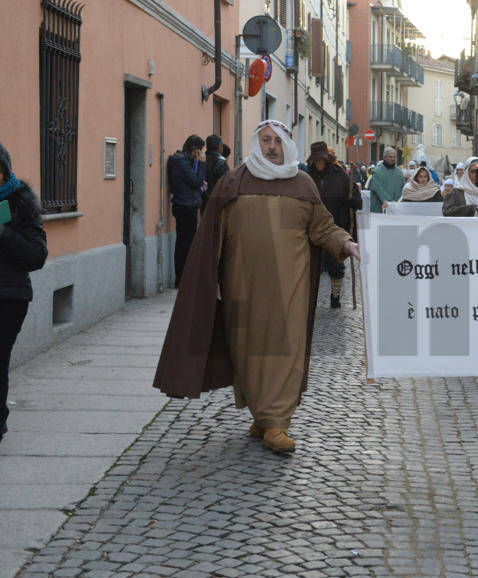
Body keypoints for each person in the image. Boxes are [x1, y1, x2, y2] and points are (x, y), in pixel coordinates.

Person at [154, 120, 360, 454]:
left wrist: (347, 243)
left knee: (285, 349)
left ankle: (277, 421)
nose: (272, 147)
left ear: (288, 145)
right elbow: (212, 232)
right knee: (248, 351)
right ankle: (263, 415)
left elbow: (323, 227)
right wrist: (211, 278)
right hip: (243, 283)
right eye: (266, 140)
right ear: (256, 143)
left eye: (278, 141)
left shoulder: (303, 184)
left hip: (289, 285)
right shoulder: (235, 181)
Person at [0, 140, 48, 467]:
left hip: (8, 296)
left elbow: (37, 256)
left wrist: (2, 235)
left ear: (5, 172)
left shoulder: (21, 202)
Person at [306, 142, 362, 308]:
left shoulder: (341, 176)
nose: (318, 164)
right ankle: (310, 298)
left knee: (335, 265)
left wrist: (352, 200)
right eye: (315, 161)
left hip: (337, 224)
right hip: (313, 228)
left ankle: (335, 296)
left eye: (321, 160)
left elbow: (357, 201)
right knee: (312, 265)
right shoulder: (307, 176)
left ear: (327, 159)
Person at [168, 135, 207, 288]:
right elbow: (196, 181)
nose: (202, 153)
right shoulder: (181, 163)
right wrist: (201, 164)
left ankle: (183, 278)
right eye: (200, 150)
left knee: (185, 243)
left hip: (186, 204)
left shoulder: (183, 162)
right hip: (185, 206)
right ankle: (182, 279)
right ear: (194, 150)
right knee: (185, 244)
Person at [369, 147, 404, 213]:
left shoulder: (399, 172)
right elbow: (377, 189)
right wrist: (389, 201)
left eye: (394, 157)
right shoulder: (377, 172)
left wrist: (398, 201)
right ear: (385, 157)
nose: (393, 159)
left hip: (397, 207)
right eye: (391, 157)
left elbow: (403, 188)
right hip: (380, 207)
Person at [204, 134, 230, 204]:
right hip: (217, 200)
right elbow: (226, 184)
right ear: (220, 147)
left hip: (203, 199)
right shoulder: (221, 163)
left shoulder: (202, 160)